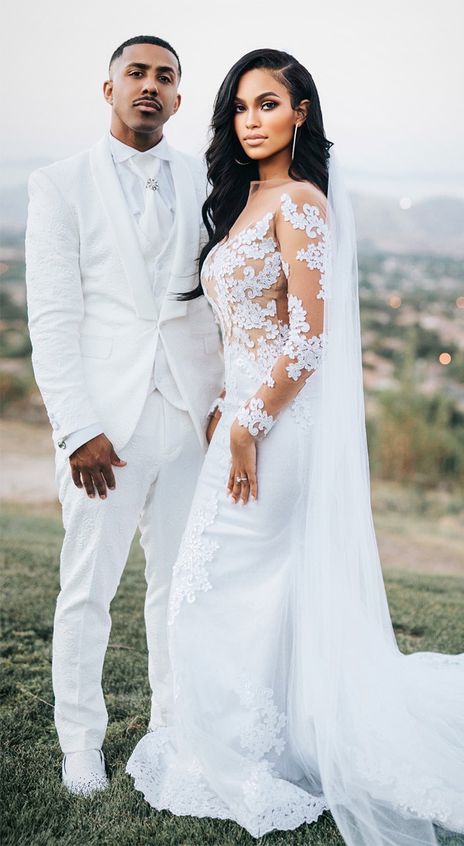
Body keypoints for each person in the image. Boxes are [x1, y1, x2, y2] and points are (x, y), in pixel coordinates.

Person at [126, 49, 464, 846]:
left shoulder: (301, 205)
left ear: (300, 113)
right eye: (241, 108)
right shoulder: (241, 201)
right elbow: (245, 331)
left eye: (268, 104)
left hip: (279, 430)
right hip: (244, 417)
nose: (251, 120)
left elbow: (309, 340)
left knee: (216, 585)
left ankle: (250, 751)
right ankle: (266, 738)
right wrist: (228, 401)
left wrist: (251, 426)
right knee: (238, 590)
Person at [25, 35, 223, 796]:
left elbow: (211, 307)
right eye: (135, 73)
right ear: (106, 87)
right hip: (104, 426)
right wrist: (76, 428)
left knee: (180, 586)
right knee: (88, 590)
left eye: (164, 77)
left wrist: (218, 404)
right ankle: (81, 740)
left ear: (178, 97)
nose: (149, 85)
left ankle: (175, 728)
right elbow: (53, 315)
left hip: (188, 416)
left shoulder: (208, 179)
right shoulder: (59, 183)